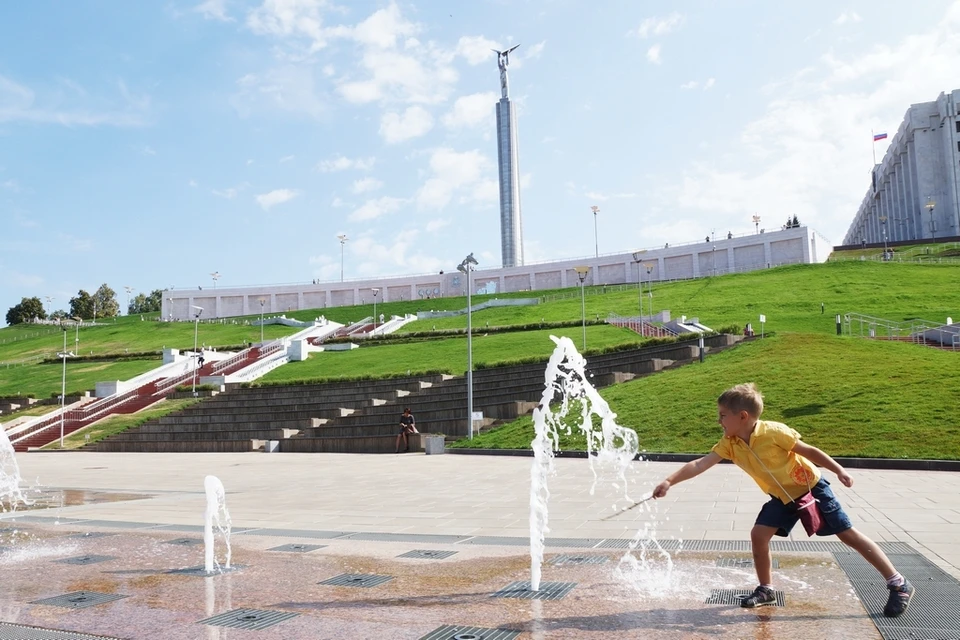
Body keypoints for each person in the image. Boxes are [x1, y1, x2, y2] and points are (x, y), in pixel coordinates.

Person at [652, 383, 913, 616]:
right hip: (782, 498)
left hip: (812, 489)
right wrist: (669, 482)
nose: (719, 421)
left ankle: (898, 583)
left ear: (742, 416)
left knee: (847, 534)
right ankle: (766, 590)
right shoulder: (730, 442)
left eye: (722, 415)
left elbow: (809, 450)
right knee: (759, 534)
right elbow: (700, 464)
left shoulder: (774, 432)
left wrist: (839, 470)